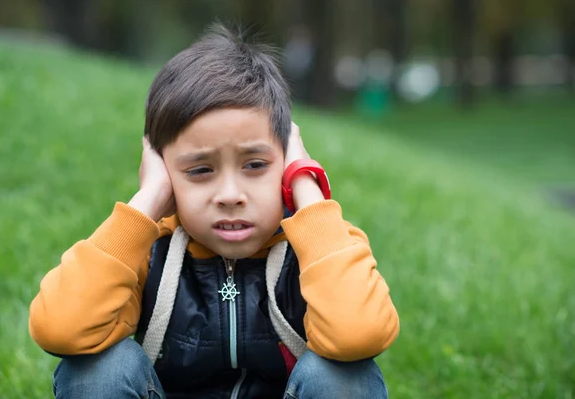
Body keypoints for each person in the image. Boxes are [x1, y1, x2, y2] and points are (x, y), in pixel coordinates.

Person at [28, 23, 400, 399]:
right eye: (200, 170)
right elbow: (60, 328)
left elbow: (359, 335)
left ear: (286, 159)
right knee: (97, 370)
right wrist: (150, 198)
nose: (230, 194)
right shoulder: (147, 249)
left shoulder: (320, 244)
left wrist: (304, 187)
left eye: (255, 165)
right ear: (164, 171)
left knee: (341, 376)